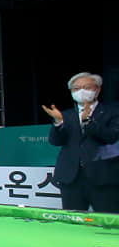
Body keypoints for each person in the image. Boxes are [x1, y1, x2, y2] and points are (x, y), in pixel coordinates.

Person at [41, 72, 119, 213]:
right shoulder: (66, 115)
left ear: (97, 90)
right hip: (71, 178)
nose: (81, 91)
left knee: (107, 221)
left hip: (103, 177)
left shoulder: (112, 111)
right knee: (73, 220)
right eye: (76, 89)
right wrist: (58, 123)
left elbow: (112, 136)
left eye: (87, 87)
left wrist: (88, 122)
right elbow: (55, 141)